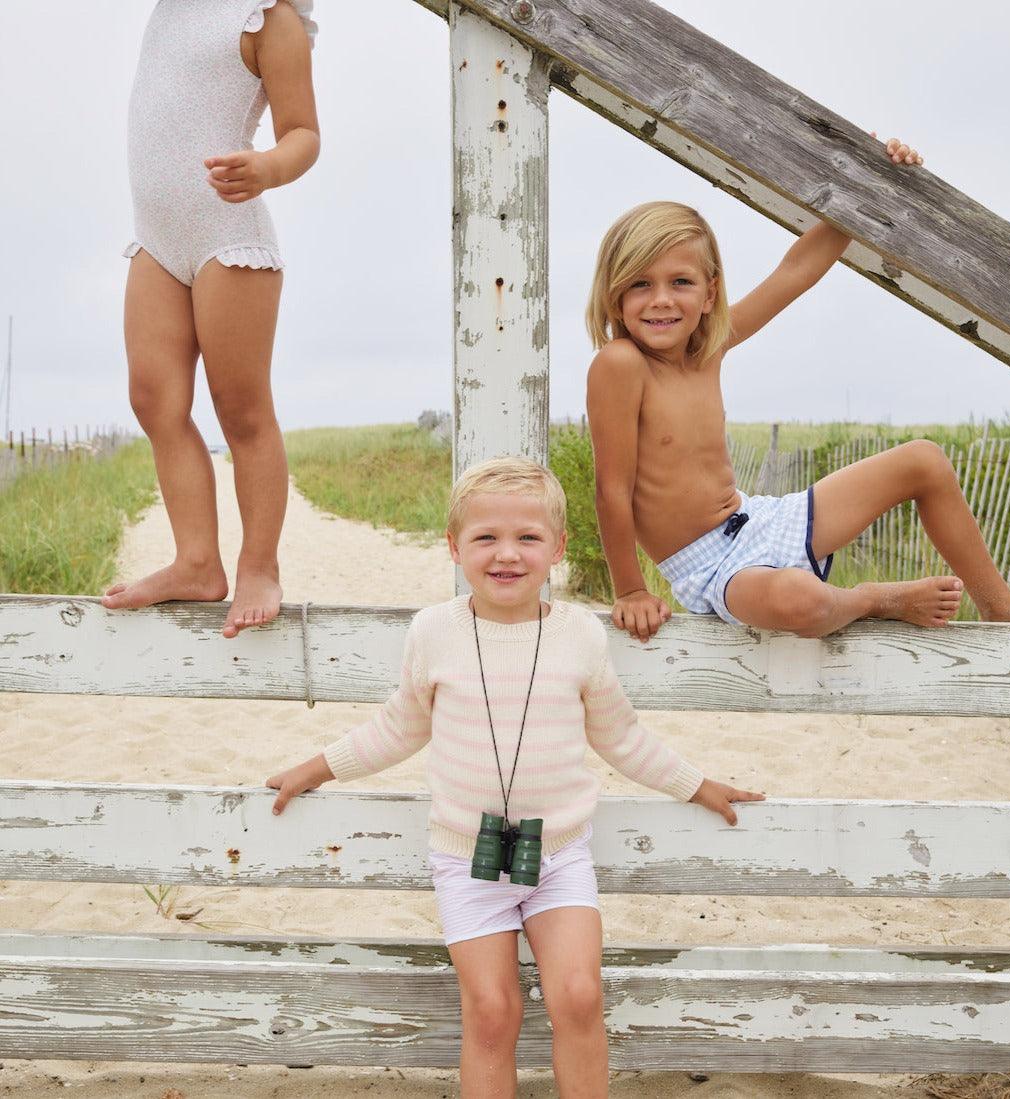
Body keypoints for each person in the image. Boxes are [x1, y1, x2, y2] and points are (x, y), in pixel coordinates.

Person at [266, 457, 764, 1098]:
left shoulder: (579, 634)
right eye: (485, 538)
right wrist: (312, 770)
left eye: (528, 538)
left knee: (580, 996)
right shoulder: (435, 631)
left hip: (557, 856)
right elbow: (398, 727)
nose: (507, 555)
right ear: (454, 547)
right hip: (465, 858)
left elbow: (619, 735)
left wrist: (697, 784)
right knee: (494, 1010)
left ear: (557, 548)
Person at [585, 138, 1010, 643]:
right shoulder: (621, 364)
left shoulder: (709, 348)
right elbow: (613, 488)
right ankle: (876, 599)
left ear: (709, 291)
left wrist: (868, 178)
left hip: (759, 519)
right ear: (614, 292)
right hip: (713, 567)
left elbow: (796, 270)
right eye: (639, 284)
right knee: (797, 601)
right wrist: (630, 589)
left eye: (680, 283)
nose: (661, 302)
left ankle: (1000, 605)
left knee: (924, 461)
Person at [103, 0, 320, 638]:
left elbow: (304, 133)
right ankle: (197, 561)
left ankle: (259, 564)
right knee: (153, 399)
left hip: (228, 236)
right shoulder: (168, 11)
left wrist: (267, 168)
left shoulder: (269, 19)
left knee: (241, 407)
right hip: (157, 239)